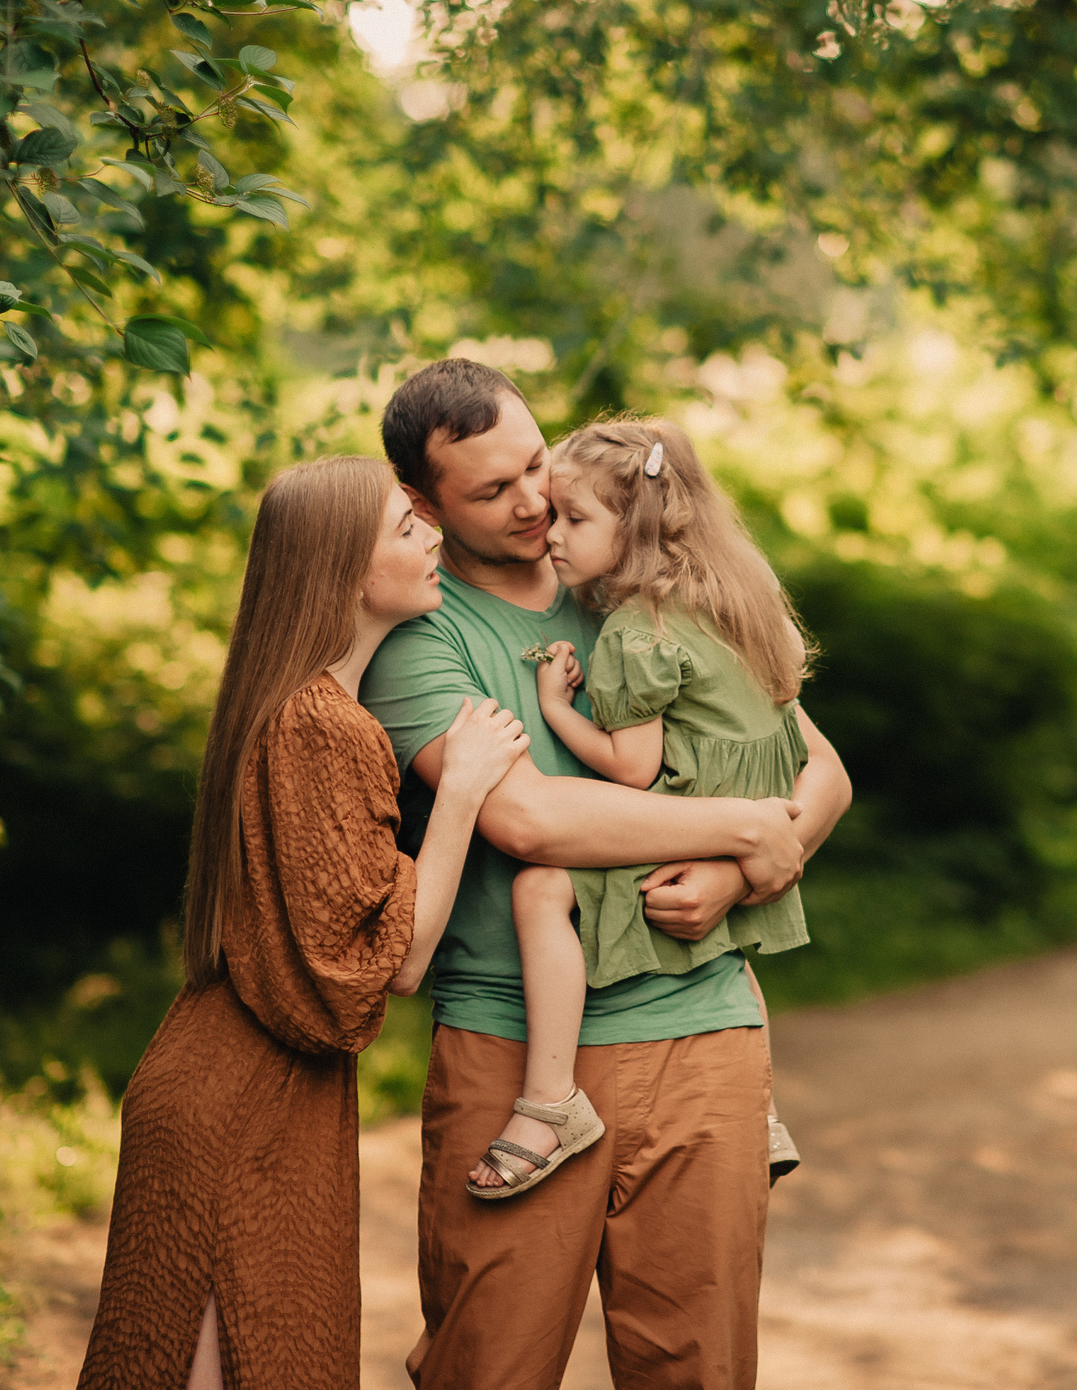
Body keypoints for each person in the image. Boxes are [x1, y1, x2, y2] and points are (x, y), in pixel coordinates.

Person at [361, 360, 852, 1390]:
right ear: (422, 502)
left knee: (698, 1369)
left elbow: (820, 770)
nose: (534, 500)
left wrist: (742, 872)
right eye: (492, 491)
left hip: (703, 1032)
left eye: (535, 464)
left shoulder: (645, 579)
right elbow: (527, 817)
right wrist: (744, 830)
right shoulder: (419, 636)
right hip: (511, 1050)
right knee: (486, 1367)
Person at [78, 456, 531, 1390]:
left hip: (239, 1089)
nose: (435, 535)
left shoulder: (300, 706)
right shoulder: (324, 723)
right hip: (240, 1107)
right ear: (342, 570)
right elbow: (379, 968)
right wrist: (463, 795)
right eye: (407, 530)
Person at [473, 417, 811, 1200]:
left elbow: (635, 767)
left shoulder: (634, 630)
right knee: (721, 951)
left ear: (638, 530)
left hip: (699, 806)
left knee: (538, 888)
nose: (550, 533)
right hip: (753, 805)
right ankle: (758, 1111)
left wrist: (557, 709)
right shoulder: (731, 596)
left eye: (574, 518)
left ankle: (551, 1101)